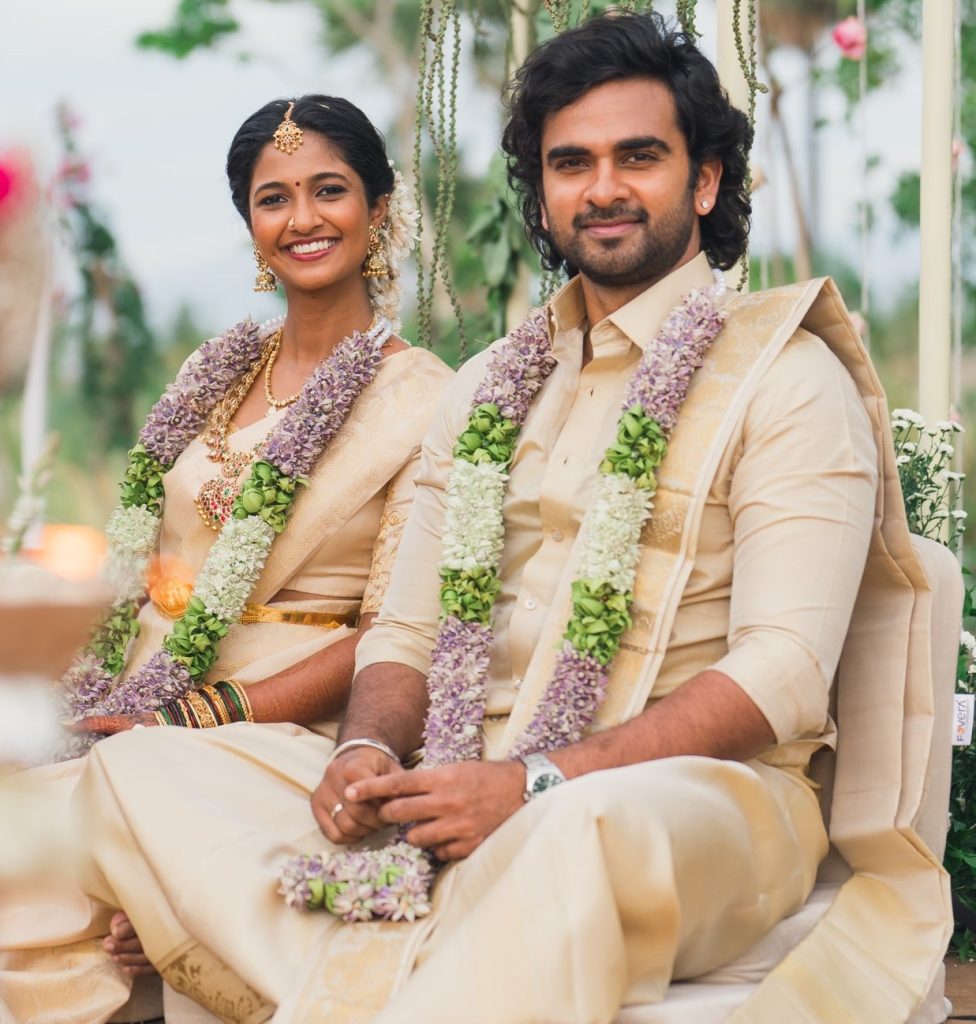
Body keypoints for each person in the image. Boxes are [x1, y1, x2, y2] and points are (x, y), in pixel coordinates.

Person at [63, 13, 946, 1024]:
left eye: (638, 157)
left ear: (703, 181)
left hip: (688, 797)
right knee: (146, 766)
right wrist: (364, 757)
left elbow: (782, 670)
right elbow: (403, 633)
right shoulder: (489, 386)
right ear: (542, 193)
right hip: (452, 781)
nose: (602, 188)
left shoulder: (787, 377)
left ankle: (334, 964)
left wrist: (532, 781)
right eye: (570, 163)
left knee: (573, 829)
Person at [0, 94, 452, 1023]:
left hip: (283, 716)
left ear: (380, 206)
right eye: (273, 198)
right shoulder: (215, 370)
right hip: (138, 691)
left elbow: (398, 626)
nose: (303, 220)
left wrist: (200, 715)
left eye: (329, 190)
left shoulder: (428, 400)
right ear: (249, 223)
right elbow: (144, 569)